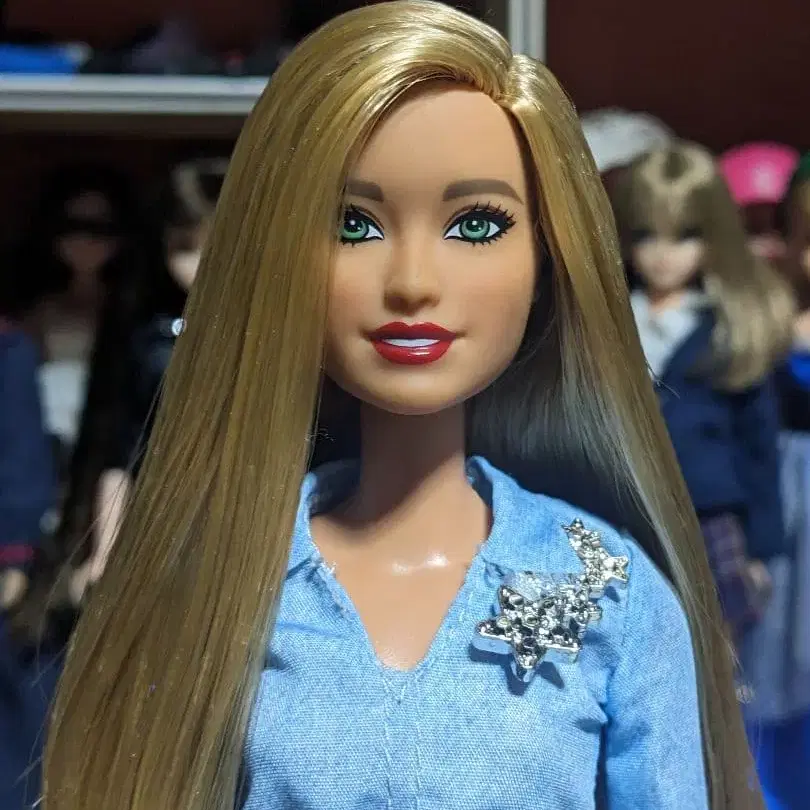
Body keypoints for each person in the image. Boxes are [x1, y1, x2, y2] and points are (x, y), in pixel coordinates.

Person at [43, 4, 759, 809]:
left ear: (549, 258)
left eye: (476, 224)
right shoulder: (219, 580)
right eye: (353, 224)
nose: (412, 281)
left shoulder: (611, 594)